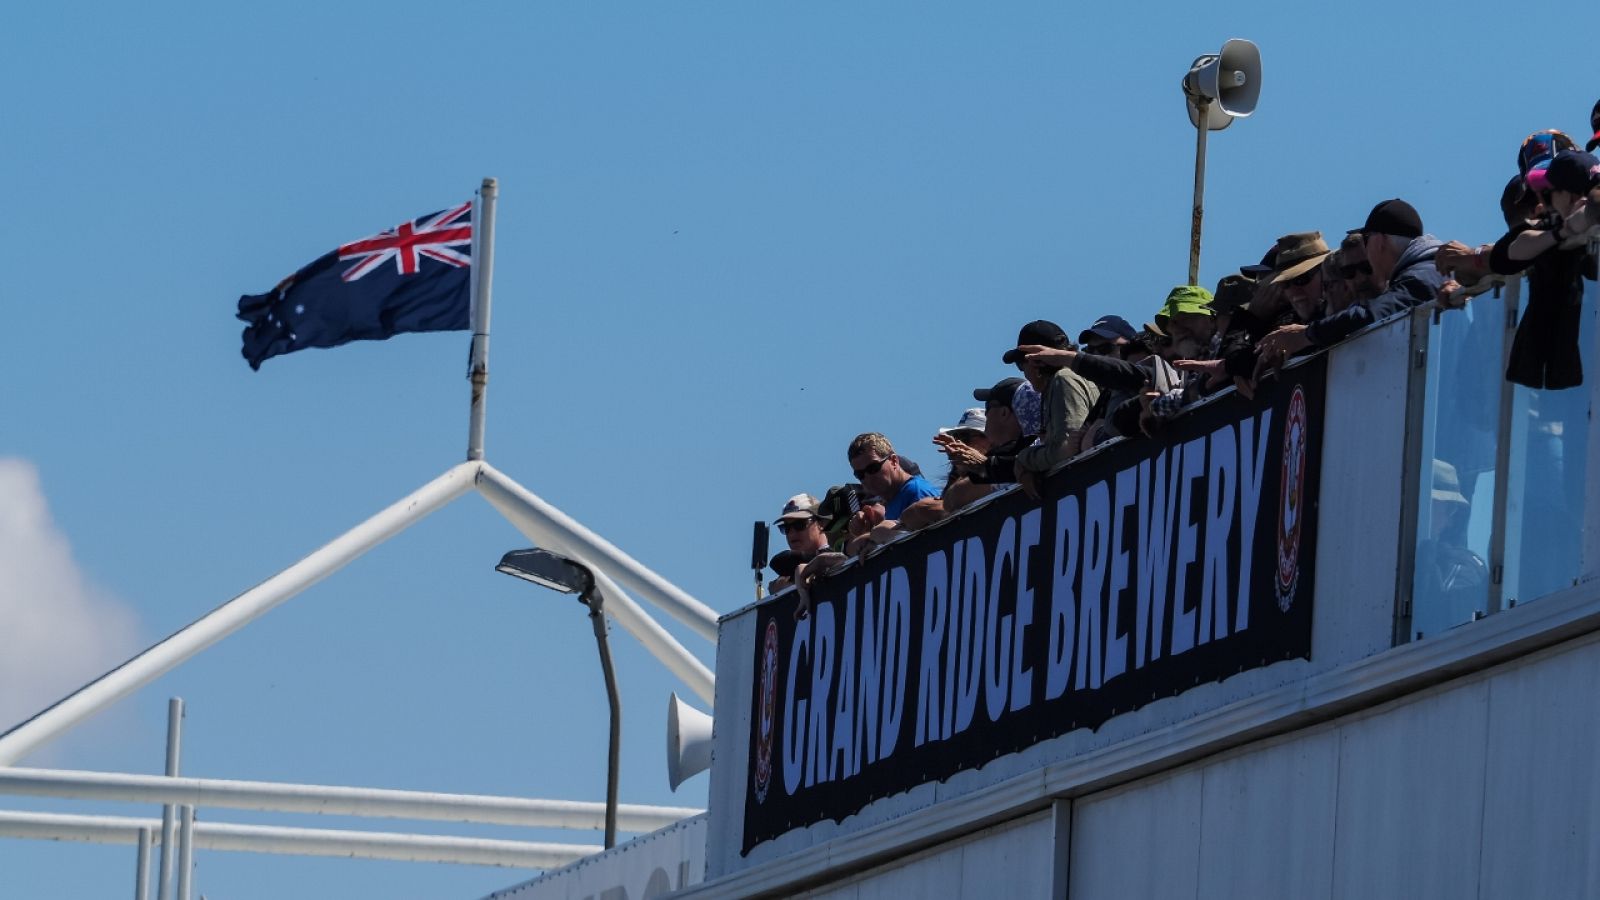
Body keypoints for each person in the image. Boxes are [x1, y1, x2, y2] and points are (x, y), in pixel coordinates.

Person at [1258, 199, 1444, 359]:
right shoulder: (1424, 270)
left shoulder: (1422, 275)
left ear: (1379, 242)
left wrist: (1305, 335)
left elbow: (1372, 314)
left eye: (1366, 240)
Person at [1492, 149, 1600, 389]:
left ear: (1570, 196)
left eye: (1550, 194)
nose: (1543, 203)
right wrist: (1564, 232)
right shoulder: (1555, 226)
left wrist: (1586, 221)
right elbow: (1506, 253)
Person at [1002, 320, 1100, 497]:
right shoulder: (1072, 377)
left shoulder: (1064, 379)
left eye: (1020, 364)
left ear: (1034, 362)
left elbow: (1067, 449)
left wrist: (1024, 460)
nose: (1023, 373)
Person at [844, 432, 941, 552]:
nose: (868, 477)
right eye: (860, 474)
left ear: (894, 461)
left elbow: (932, 544)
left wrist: (876, 536)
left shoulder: (916, 491)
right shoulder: (893, 500)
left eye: (873, 468)